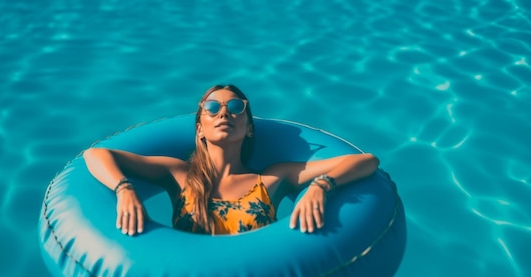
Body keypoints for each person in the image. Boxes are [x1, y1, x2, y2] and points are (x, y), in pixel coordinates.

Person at [84, 84, 379, 236]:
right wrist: (124, 189)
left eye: (236, 107)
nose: (224, 113)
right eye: (212, 107)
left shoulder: (273, 178)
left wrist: (321, 186)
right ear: (199, 128)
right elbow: (96, 155)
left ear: (249, 127)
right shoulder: (178, 174)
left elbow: (366, 161)